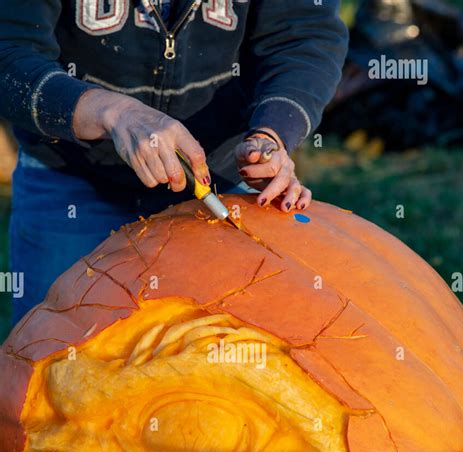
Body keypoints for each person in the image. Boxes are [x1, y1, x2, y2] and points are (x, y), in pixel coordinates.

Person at [0, 0, 348, 322]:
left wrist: (272, 134)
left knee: (223, 361)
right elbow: (9, 49)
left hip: (221, 179)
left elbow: (304, 35)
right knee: (54, 357)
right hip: (72, 173)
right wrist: (112, 112)